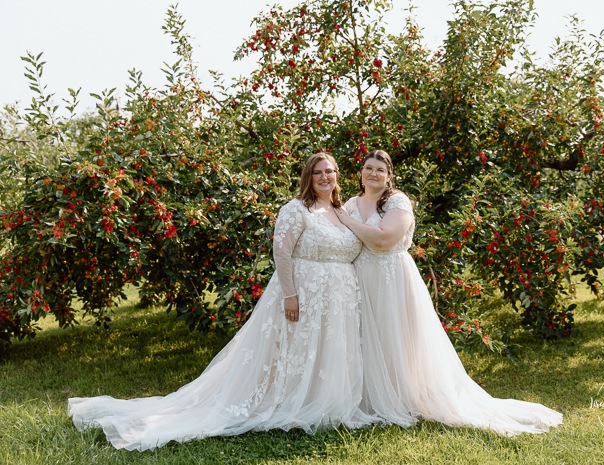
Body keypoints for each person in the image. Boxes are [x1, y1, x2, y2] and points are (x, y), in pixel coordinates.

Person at [68, 152, 376, 451]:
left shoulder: (341, 212)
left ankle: (321, 401)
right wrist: (290, 295)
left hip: (339, 301)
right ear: (308, 177)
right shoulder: (297, 209)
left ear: (337, 175)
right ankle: (284, 401)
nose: (325, 177)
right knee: (290, 352)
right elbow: (281, 252)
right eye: (318, 172)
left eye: (330, 171)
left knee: (325, 351)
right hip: (303, 293)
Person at [335, 150, 563, 435]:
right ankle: (370, 396)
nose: (373, 174)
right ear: (360, 172)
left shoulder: (397, 201)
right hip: (361, 280)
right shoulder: (351, 204)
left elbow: (384, 239)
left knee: (396, 336)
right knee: (367, 337)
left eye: (380, 169)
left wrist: (348, 222)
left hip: (392, 278)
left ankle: (403, 397)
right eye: (368, 168)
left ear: (389, 175)